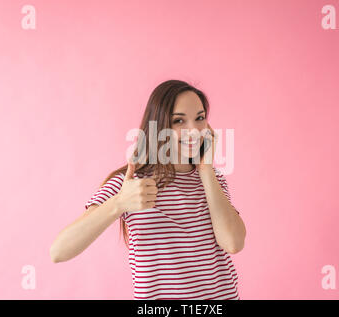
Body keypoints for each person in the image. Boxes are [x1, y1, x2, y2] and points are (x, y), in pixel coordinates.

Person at [50, 79, 246, 300]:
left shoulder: (213, 180)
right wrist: (119, 203)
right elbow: (59, 251)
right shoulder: (131, 183)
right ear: (159, 126)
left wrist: (206, 169)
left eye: (200, 118)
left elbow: (233, 243)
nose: (194, 131)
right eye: (179, 121)